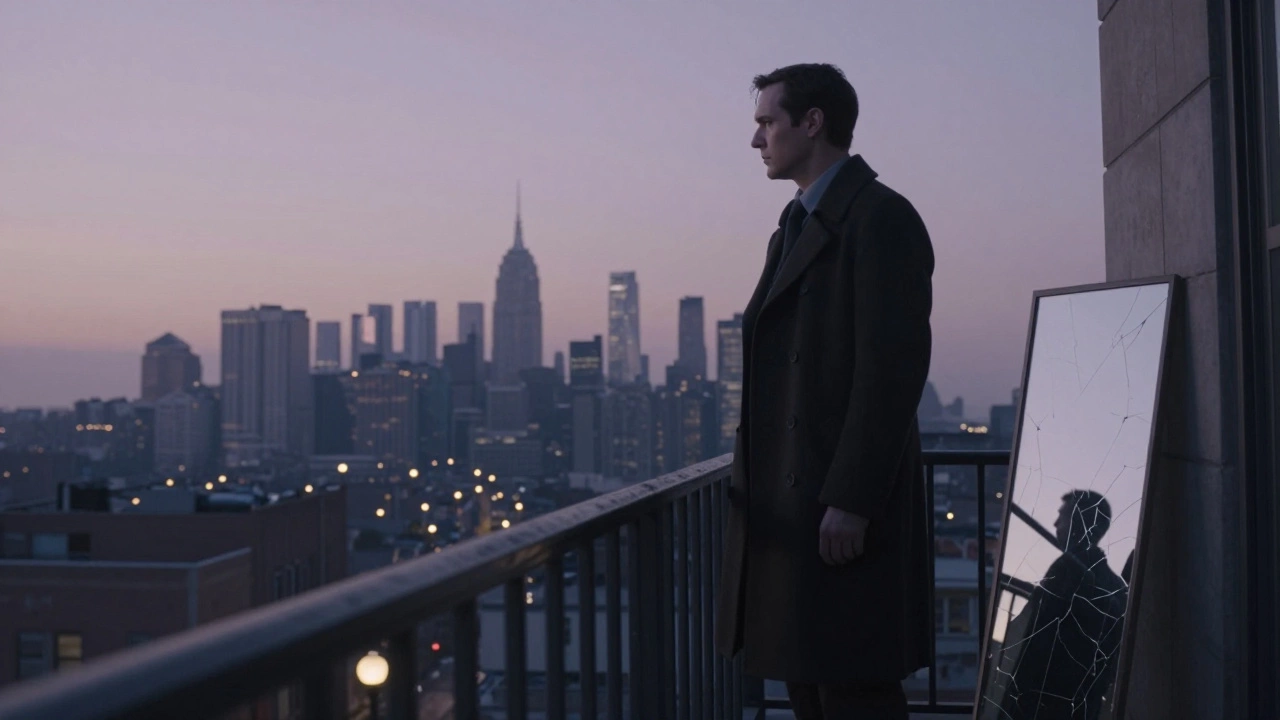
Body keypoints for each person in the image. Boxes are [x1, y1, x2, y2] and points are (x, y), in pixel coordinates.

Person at [714, 63, 936, 720]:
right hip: (794, 510)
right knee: (812, 688)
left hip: (836, 515)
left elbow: (891, 370)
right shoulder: (796, 223)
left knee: (853, 693)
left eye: (766, 122)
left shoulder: (881, 218)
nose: (757, 140)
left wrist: (853, 499)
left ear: (812, 123)